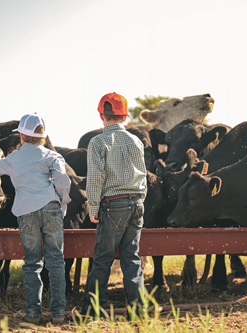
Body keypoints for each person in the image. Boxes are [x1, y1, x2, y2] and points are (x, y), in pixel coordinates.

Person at [0, 113, 71, 325]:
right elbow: (63, 182)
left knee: (32, 263)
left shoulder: (13, 159)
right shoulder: (53, 157)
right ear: (43, 137)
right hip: (51, 209)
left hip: (26, 212)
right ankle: (58, 313)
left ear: (21, 136)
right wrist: (62, 203)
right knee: (56, 261)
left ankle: (33, 314)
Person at [81, 92, 148, 318]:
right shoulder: (136, 141)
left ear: (102, 115)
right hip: (137, 202)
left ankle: (92, 311)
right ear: (125, 117)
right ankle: (139, 312)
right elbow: (144, 177)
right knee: (132, 258)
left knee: (102, 259)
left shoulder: (98, 141)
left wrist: (92, 208)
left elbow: (95, 178)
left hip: (113, 205)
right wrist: (139, 201)